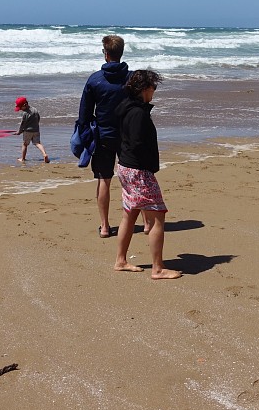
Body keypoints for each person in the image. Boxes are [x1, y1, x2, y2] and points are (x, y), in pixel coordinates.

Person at [112, 70, 182, 280]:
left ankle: (121, 260)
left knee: (130, 213)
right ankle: (157, 268)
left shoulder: (126, 107)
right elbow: (138, 144)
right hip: (138, 170)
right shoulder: (138, 113)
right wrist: (149, 165)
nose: (154, 91)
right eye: (153, 87)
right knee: (157, 216)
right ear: (144, 89)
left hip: (125, 167)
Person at [77, 35, 131, 238]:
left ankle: (105, 226)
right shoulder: (132, 78)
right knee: (132, 180)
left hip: (103, 136)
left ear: (106, 54)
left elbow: (84, 114)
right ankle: (141, 223)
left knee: (103, 179)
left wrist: (85, 136)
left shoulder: (95, 79)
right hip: (128, 135)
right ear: (121, 53)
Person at [13, 96, 49, 163]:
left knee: (25, 144)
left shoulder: (25, 113)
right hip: (36, 130)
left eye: (20, 108)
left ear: (24, 105)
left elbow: (22, 124)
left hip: (27, 131)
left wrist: (19, 131)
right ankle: (44, 154)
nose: (20, 109)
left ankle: (22, 158)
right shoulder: (35, 109)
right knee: (37, 143)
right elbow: (38, 118)